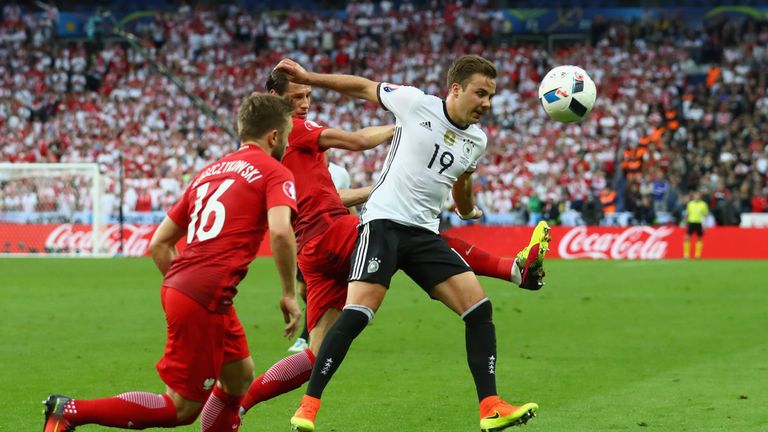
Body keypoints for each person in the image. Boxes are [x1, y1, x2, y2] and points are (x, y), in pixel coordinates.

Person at [238, 70, 549, 420]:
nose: (304, 105)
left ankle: (241, 404)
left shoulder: (270, 155)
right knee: (412, 234)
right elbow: (358, 141)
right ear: (274, 97)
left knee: (317, 353)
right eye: (297, 97)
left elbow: (329, 198)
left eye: (307, 96)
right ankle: (512, 269)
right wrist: (401, 127)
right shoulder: (299, 130)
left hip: (312, 249)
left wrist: (380, 189)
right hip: (336, 232)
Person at [42, 93, 302, 432]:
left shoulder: (208, 172)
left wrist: (186, 286)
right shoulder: (275, 171)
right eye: (288, 134)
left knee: (239, 376)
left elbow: (160, 244)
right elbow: (281, 232)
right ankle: (69, 410)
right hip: (205, 293)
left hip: (194, 287)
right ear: (274, 136)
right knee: (181, 408)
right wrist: (288, 293)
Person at [684, 190, 709, 259]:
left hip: (699, 222)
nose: (697, 196)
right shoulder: (690, 204)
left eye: (698, 195)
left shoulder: (703, 204)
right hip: (691, 222)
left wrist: (705, 225)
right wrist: (685, 223)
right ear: (693, 196)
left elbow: (706, 215)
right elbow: (687, 214)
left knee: (699, 238)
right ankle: (686, 255)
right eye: (695, 195)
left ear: (700, 196)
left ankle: (697, 255)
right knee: (687, 238)